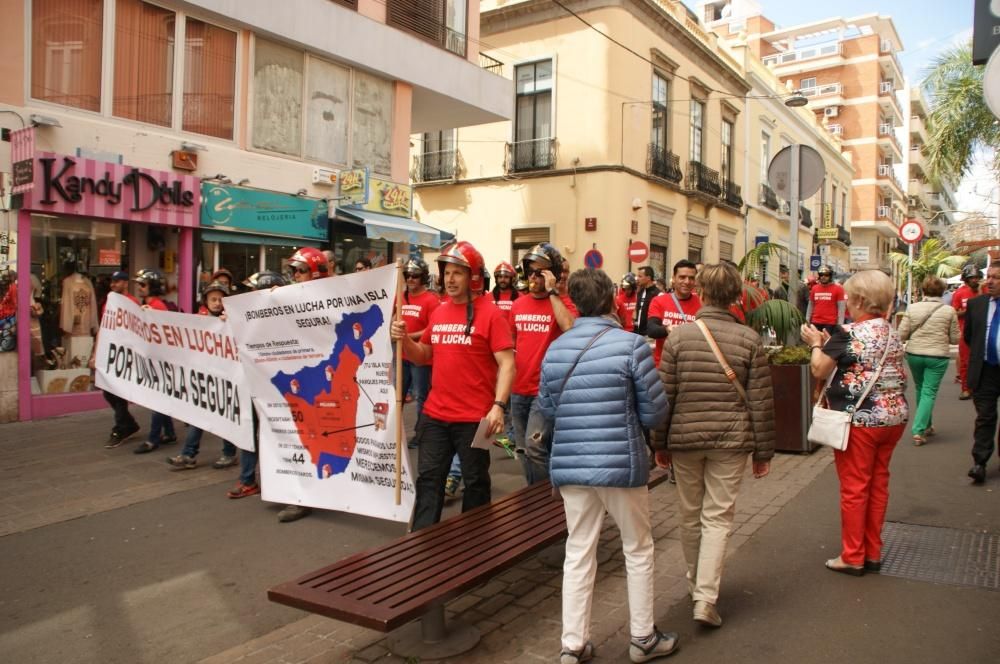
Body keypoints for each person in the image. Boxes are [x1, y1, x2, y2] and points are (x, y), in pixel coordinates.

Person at [537, 268, 677, 664]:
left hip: (571, 464)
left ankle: (572, 645)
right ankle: (643, 637)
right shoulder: (632, 346)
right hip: (621, 464)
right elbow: (654, 413)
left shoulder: (556, 348)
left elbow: (548, 409)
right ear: (613, 298)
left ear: (575, 302)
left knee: (578, 551)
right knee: (637, 548)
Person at [652, 262, 774, 627]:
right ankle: (706, 597)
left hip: (686, 440)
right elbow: (761, 402)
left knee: (690, 516)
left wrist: (660, 443)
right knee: (717, 517)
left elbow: (665, 397)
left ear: (702, 293)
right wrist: (763, 452)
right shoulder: (750, 340)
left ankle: (695, 585)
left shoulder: (679, 338)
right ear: (737, 296)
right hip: (731, 441)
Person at [390, 241, 514, 530]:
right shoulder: (441, 312)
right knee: (429, 480)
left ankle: (475, 546)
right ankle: (422, 545)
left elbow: (508, 364)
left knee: (476, 482)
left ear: (473, 276)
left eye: (458, 272)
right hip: (436, 415)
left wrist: (498, 407)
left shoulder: (492, 314)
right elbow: (423, 356)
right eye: (447, 272)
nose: (450, 279)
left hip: (475, 419)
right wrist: (405, 340)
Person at [801, 270, 908, 574]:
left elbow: (820, 369)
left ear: (860, 299)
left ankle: (853, 555)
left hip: (859, 420)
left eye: (849, 297)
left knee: (855, 487)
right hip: (893, 417)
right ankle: (872, 551)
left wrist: (814, 344)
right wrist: (827, 343)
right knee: (877, 484)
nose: (846, 302)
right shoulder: (891, 331)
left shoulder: (848, 333)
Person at [509, 243, 575, 485]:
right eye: (530, 271)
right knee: (523, 450)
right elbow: (511, 344)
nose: (533, 277)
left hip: (546, 390)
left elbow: (569, 327)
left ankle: (548, 500)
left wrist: (553, 292)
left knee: (534, 446)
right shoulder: (517, 305)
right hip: (518, 389)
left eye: (541, 272)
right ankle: (535, 496)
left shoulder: (564, 303)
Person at [276, 247, 332, 521]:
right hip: (292, 379)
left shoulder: (333, 300)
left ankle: (304, 495)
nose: (295, 275)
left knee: (311, 438)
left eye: (301, 270)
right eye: (294, 270)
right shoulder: (286, 298)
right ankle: (294, 490)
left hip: (318, 381)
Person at [166, 281, 240, 470]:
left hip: (226, 377)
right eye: (212, 299)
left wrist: (229, 322)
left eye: (220, 299)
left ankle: (229, 453)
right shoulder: (198, 319)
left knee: (226, 416)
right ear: (205, 301)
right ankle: (188, 454)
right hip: (205, 377)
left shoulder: (233, 319)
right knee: (198, 417)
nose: (216, 303)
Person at [897, 277, 959, 446]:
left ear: (923, 290)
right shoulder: (949, 311)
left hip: (915, 354)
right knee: (929, 391)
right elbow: (955, 339)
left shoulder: (913, 308)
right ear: (942, 291)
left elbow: (902, 334)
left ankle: (927, 424)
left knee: (921, 389)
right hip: (938, 356)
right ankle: (918, 429)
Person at [91, 271, 141, 448]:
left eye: (117, 281)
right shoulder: (109, 303)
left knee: (117, 392)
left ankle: (122, 426)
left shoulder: (132, 303)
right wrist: (96, 353)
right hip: (111, 352)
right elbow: (104, 328)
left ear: (125, 283)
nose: (113, 284)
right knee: (108, 391)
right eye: (112, 281)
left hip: (126, 354)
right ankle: (127, 424)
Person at [961, 263, 1000, 484]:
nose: (990, 282)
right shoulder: (977, 305)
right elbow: (969, 336)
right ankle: (980, 462)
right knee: (985, 417)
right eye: (989, 277)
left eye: (996, 278)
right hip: (985, 369)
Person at [132, 269, 178, 454]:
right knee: (160, 398)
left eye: (143, 285)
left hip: (161, 360)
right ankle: (169, 432)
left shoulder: (157, 306)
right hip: (154, 358)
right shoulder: (147, 305)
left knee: (157, 400)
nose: (139, 288)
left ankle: (153, 439)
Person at [399, 257, 439, 448]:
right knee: (397, 395)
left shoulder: (431, 300)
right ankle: (393, 433)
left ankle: (421, 434)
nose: (410, 279)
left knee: (422, 397)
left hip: (421, 358)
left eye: (415, 275)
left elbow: (433, 328)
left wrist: (409, 336)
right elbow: (390, 317)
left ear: (422, 277)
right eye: (407, 275)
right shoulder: (401, 297)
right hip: (401, 355)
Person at [646, 260, 702, 367]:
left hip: (691, 366)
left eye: (691, 278)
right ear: (674, 278)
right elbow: (652, 330)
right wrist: (668, 329)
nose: (687, 281)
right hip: (663, 366)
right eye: (682, 277)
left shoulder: (702, 303)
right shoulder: (659, 301)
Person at [953, 265, 982, 400]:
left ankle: (979, 388)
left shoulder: (984, 290)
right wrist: (967, 311)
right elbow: (954, 312)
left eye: (977, 277)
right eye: (972, 278)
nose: (975, 280)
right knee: (965, 361)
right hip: (965, 332)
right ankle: (966, 389)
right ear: (966, 279)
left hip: (982, 332)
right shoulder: (959, 293)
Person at [806, 265, 846, 333]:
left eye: (826, 275)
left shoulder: (838, 289)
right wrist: (807, 319)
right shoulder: (814, 288)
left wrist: (840, 324)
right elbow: (810, 305)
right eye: (821, 275)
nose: (823, 277)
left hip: (830, 323)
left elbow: (841, 308)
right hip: (815, 321)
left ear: (830, 276)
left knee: (827, 343)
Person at [633, 267, 660, 336]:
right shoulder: (640, 292)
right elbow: (637, 311)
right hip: (637, 333)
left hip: (649, 335)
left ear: (648, 278)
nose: (637, 278)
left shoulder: (658, 294)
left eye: (640, 276)